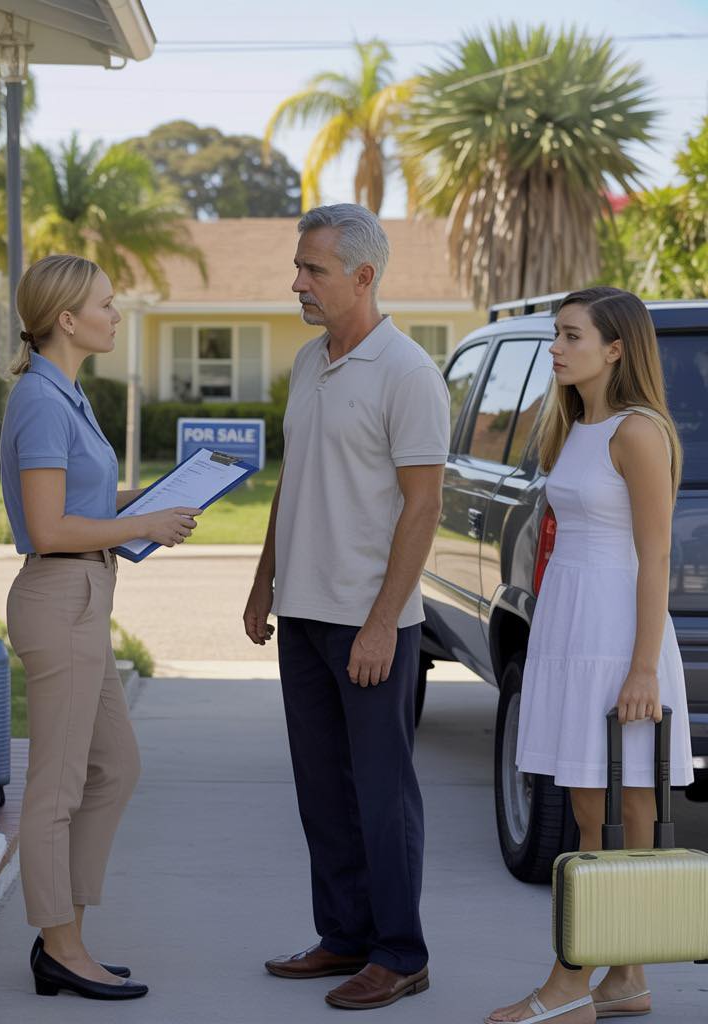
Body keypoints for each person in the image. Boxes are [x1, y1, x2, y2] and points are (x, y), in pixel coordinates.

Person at [243, 204, 450, 1012]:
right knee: (320, 788)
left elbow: (423, 505)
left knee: (382, 791)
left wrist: (381, 621)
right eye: (299, 267)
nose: (298, 282)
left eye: (315, 270)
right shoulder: (307, 362)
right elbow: (293, 482)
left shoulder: (407, 372)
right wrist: (264, 582)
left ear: (364, 277)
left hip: (372, 623)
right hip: (302, 613)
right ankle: (343, 936)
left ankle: (401, 952)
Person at [485, 287, 693, 1024]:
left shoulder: (638, 432)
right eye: (557, 335)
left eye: (571, 336)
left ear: (615, 348)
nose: (557, 347)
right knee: (585, 805)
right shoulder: (577, 426)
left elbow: (655, 553)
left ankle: (571, 981)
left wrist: (643, 669)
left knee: (631, 804)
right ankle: (625, 977)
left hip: (617, 635)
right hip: (570, 627)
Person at [0, 254, 200, 1002]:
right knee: (55, 788)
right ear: (67, 320)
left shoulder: (66, 394)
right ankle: (60, 943)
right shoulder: (45, 401)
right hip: (61, 597)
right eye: (106, 305)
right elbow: (47, 526)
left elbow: (75, 498)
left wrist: (146, 497)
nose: (116, 315)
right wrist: (142, 520)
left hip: (85, 594)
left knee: (114, 767)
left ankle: (66, 934)